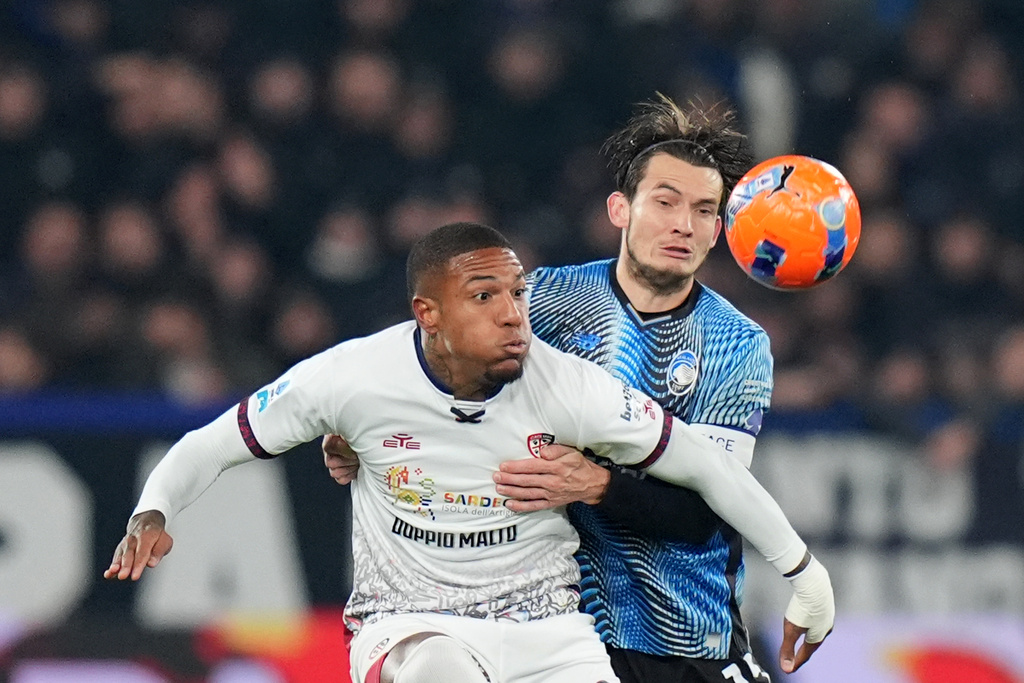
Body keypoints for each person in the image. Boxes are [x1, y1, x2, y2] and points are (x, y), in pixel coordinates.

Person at [107, 222, 833, 683]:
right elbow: (214, 442)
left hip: (552, 628)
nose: (514, 313)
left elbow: (707, 468)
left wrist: (803, 570)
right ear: (428, 314)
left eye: (517, 293)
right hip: (418, 623)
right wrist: (154, 506)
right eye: (485, 296)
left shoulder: (568, 387)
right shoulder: (352, 378)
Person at [323, 95, 797, 682]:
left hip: (688, 639)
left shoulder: (736, 344)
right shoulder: (545, 301)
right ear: (620, 209)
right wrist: (363, 430)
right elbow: (435, 372)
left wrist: (599, 485)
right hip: (560, 634)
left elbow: (705, 514)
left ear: (719, 228)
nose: (682, 224)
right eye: (665, 202)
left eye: (704, 210)